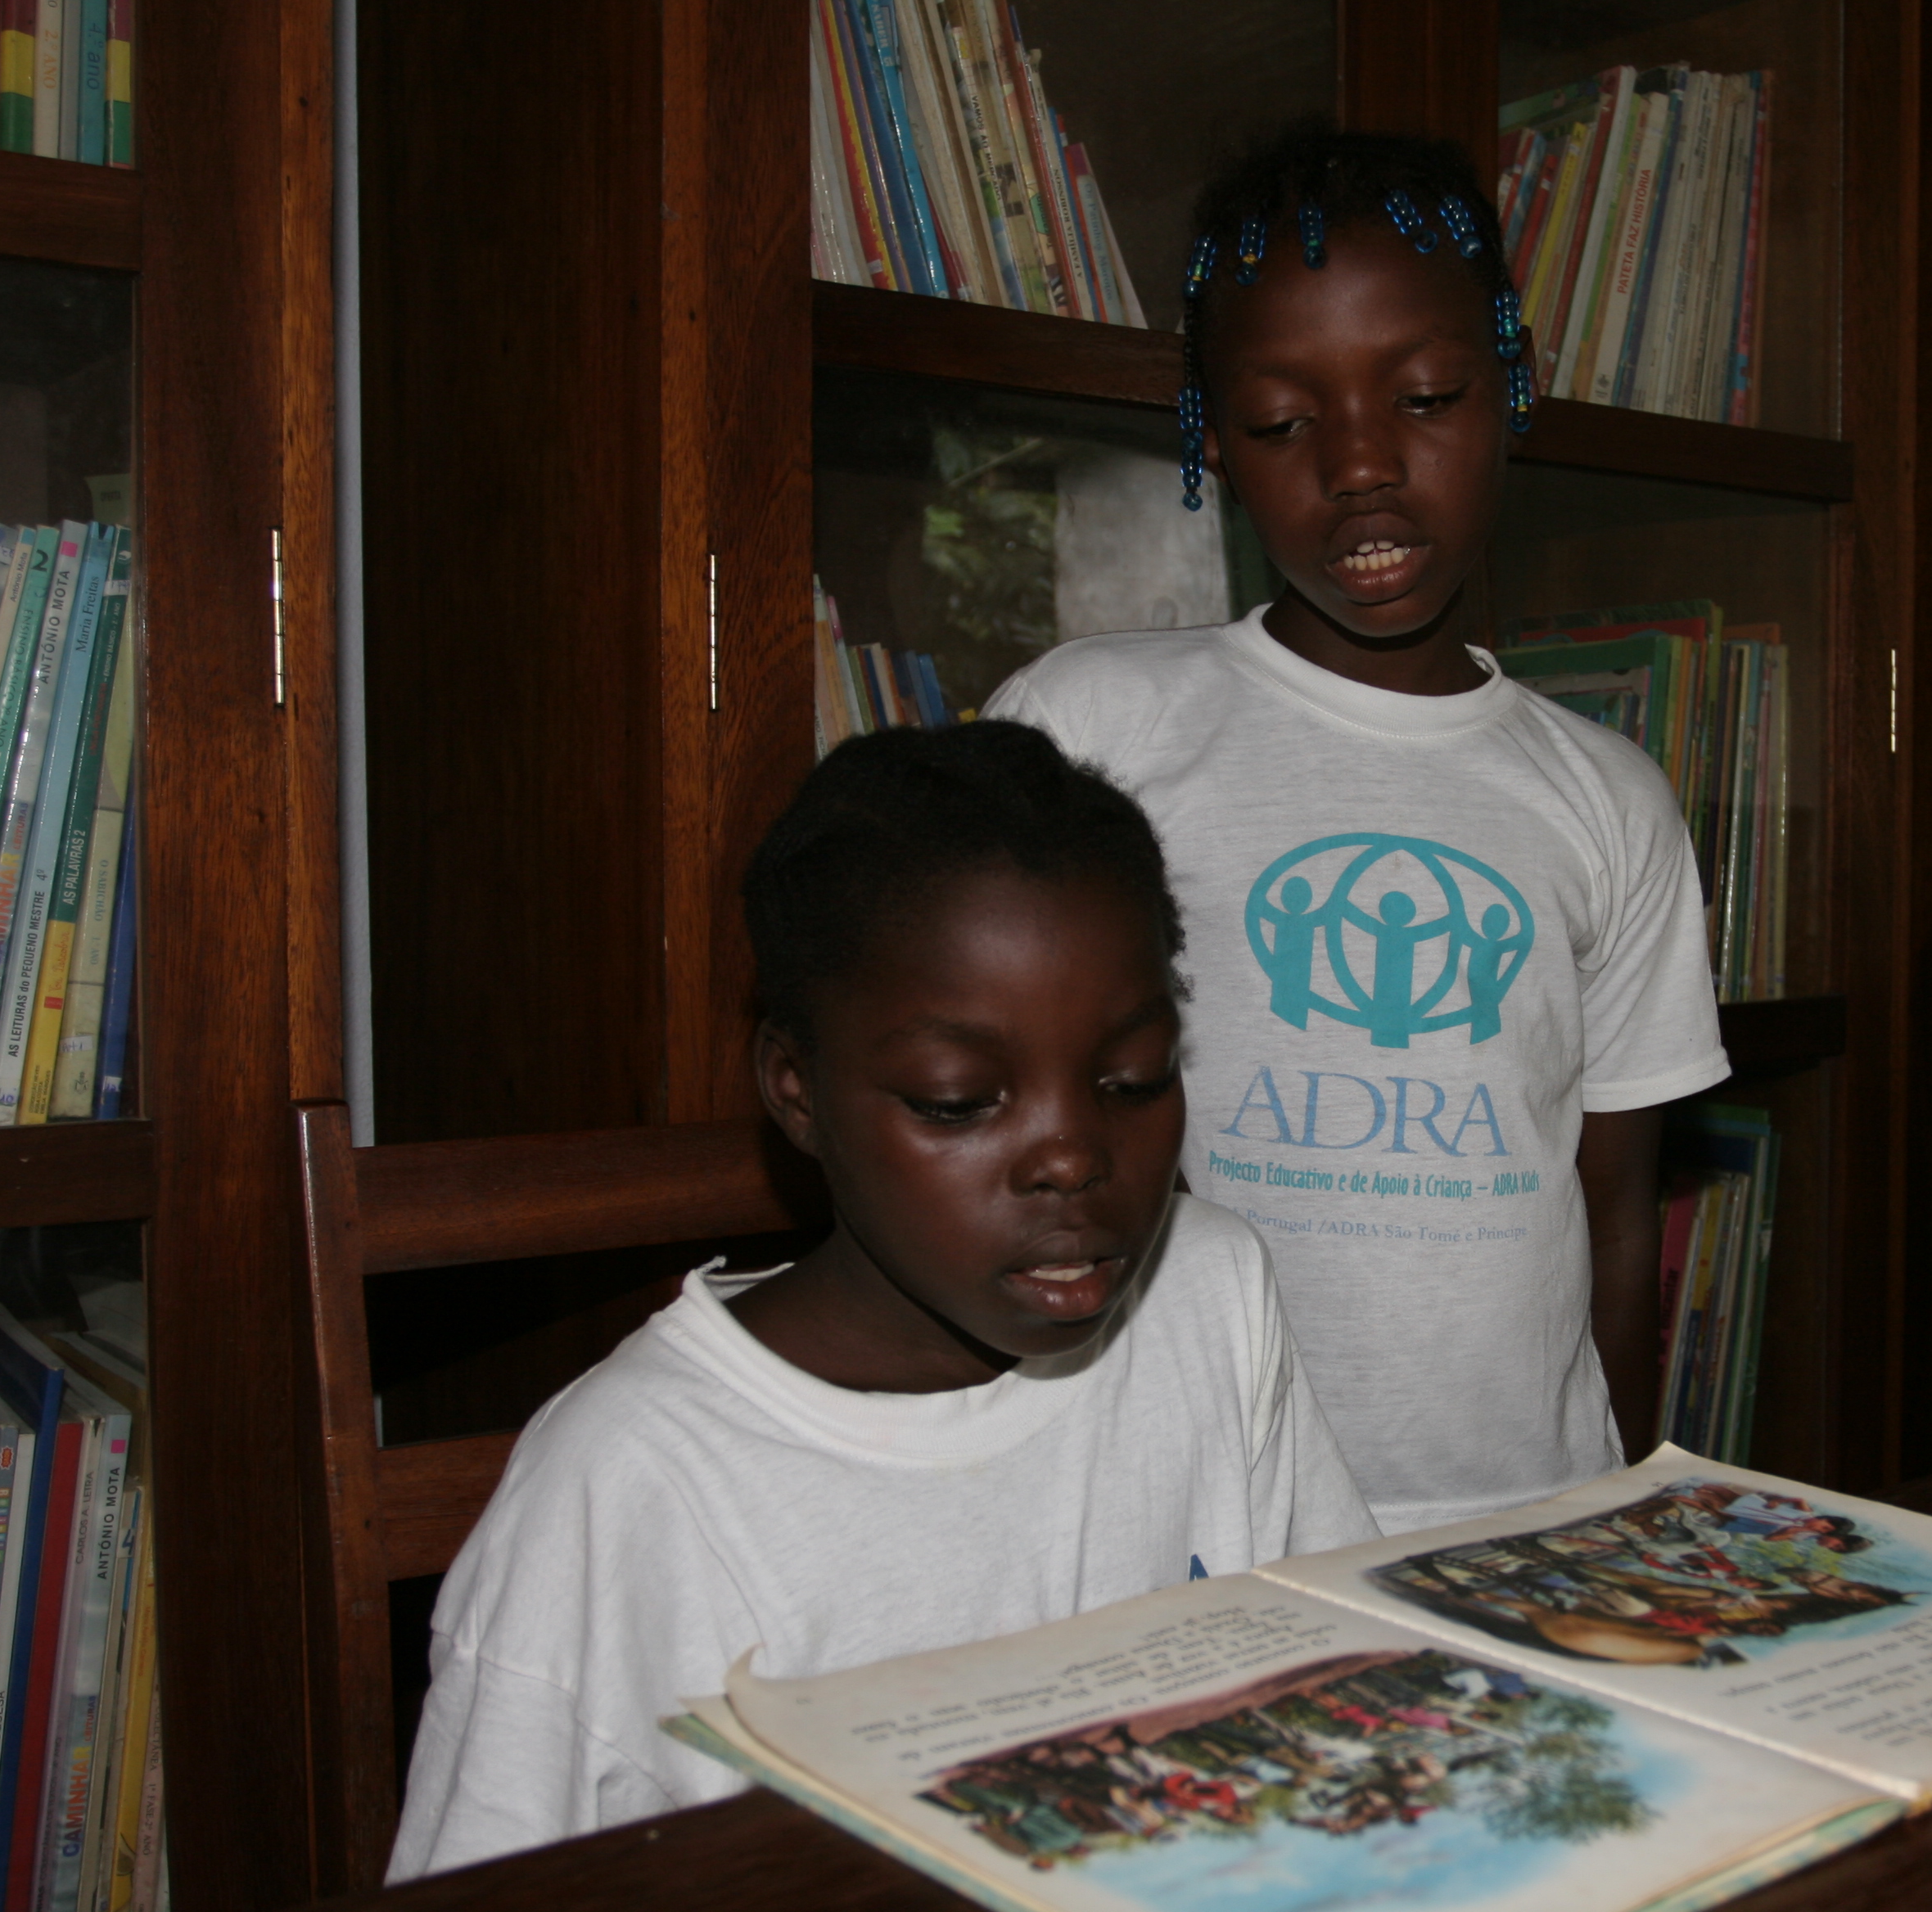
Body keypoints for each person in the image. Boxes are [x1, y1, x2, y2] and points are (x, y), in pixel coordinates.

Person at [387, 722, 1376, 1878]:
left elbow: (1354, 1685)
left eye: (1132, 1079)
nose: (1072, 1157)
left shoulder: (1209, 1295)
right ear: (796, 1091)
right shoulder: (632, 1489)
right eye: (959, 1101)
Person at [984, 122, 1729, 1536]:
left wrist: (1629, 1507)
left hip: (1521, 1511)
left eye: (1428, 396)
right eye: (1281, 424)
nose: (1362, 466)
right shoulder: (1093, 731)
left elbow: (1618, 1206)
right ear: (1211, 440)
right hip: (1193, 1511)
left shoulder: (1608, 798)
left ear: (1510, 385)